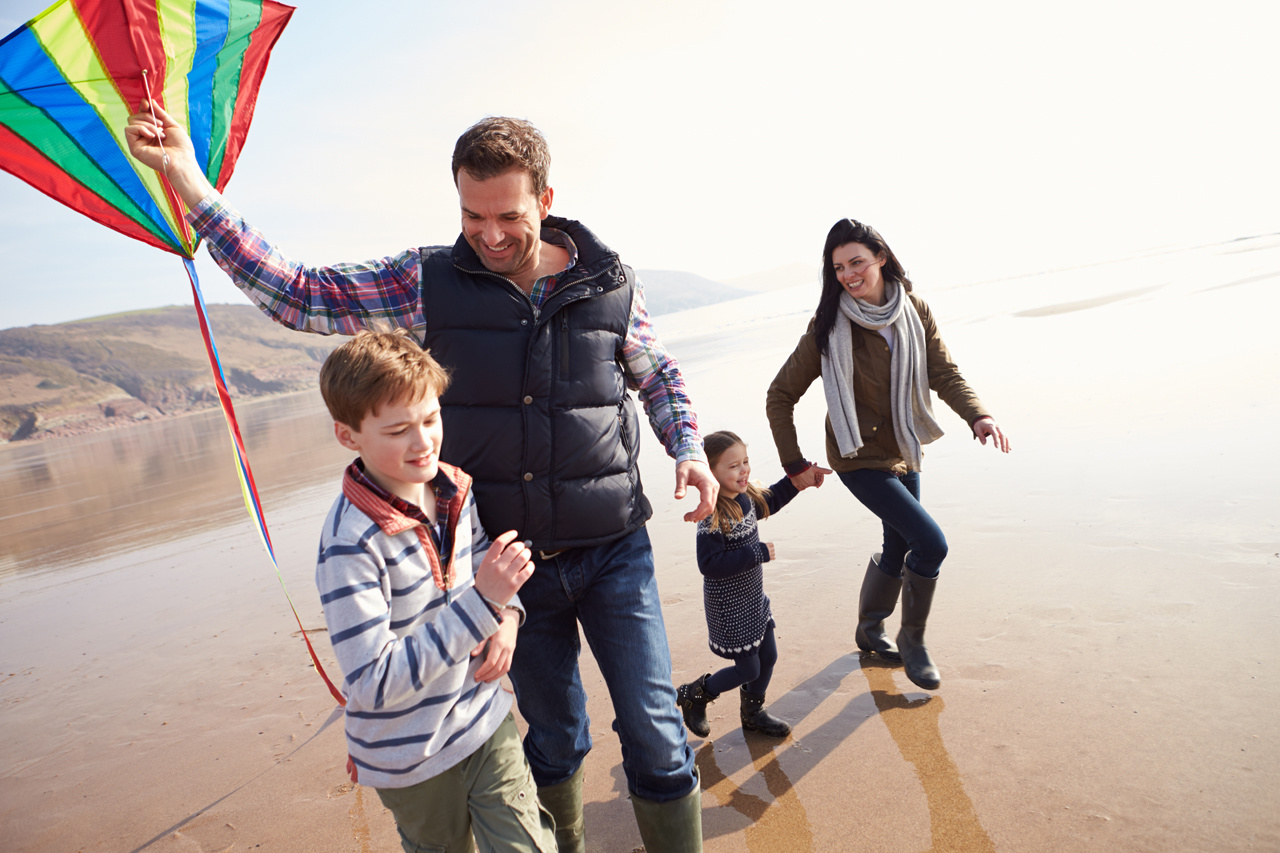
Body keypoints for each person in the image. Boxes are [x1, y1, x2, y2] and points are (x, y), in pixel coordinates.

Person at [126, 106, 717, 852]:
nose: (490, 234)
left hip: (614, 550)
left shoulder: (610, 283)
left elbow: (656, 374)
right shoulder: (426, 280)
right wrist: (188, 182)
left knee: (658, 735)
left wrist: (686, 446)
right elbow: (302, 294)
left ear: (546, 200)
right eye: (472, 215)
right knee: (557, 740)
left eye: (508, 215)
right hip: (507, 562)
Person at [315, 330, 554, 853]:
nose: (423, 442)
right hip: (409, 759)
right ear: (348, 435)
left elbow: (483, 572)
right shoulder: (350, 545)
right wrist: (482, 605)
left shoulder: (452, 488)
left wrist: (507, 616)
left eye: (430, 419)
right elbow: (372, 683)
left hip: (482, 719)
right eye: (399, 430)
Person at [765, 218, 1010, 691]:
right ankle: (913, 642)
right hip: (856, 456)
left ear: (881, 256)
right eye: (838, 267)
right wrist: (794, 464)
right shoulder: (827, 327)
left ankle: (869, 629)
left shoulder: (914, 309)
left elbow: (945, 372)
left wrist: (978, 415)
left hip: (903, 446)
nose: (848, 274)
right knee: (931, 543)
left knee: (899, 543)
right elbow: (779, 395)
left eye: (857, 262)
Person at [676, 430, 814, 740]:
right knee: (748, 670)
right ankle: (695, 694)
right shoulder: (711, 516)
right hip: (729, 608)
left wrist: (800, 480)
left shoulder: (746, 498)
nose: (744, 470)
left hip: (753, 599)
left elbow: (772, 499)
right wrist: (756, 553)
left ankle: (753, 714)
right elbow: (708, 565)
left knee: (770, 656)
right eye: (734, 466)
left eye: (746, 462)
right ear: (710, 473)